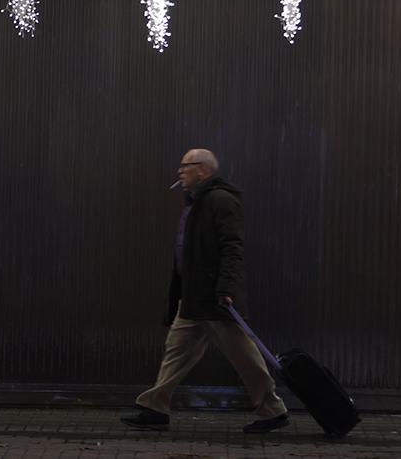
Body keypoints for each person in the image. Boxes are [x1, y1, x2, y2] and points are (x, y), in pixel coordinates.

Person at [120, 148, 289, 434]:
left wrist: (226, 288)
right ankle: (154, 408)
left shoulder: (220, 200)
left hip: (215, 298)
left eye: (184, 167)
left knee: (244, 356)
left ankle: (272, 410)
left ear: (202, 169)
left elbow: (232, 247)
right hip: (195, 295)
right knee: (176, 352)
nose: (180, 173)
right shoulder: (196, 202)